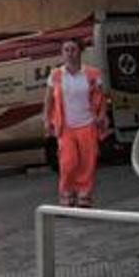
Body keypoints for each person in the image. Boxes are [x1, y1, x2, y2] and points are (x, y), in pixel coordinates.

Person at [42, 38, 108, 207]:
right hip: (66, 126)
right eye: (66, 50)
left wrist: (102, 115)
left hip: (87, 123)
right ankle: (66, 191)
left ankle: (84, 193)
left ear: (80, 51)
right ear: (62, 53)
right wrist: (47, 120)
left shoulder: (92, 73)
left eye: (73, 49)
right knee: (68, 162)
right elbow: (49, 100)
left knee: (88, 160)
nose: (70, 53)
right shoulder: (56, 75)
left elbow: (100, 97)